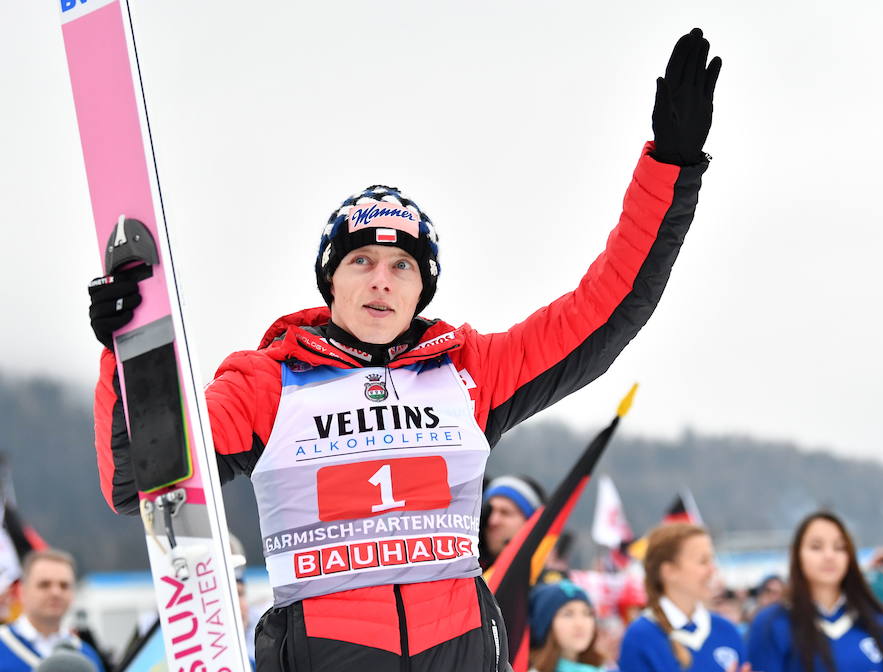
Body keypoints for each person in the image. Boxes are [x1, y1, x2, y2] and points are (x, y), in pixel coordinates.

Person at [87, 28, 722, 672]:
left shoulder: (472, 372)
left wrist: (669, 168)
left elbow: (604, 310)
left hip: (461, 652)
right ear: (329, 281)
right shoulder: (266, 383)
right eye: (360, 260)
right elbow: (143, 476)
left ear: (422, 288)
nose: (381, 280)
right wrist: (126, 349)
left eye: (401, 265)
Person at [747, 511, 883, 672]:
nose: (829, 556)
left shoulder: (876, 621)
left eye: (839, 547)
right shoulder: (771, 623)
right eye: (816, 547)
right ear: (796, 554)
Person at [618, 523, 747, 672]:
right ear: (669, 571)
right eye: (703, 561)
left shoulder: (726, 630)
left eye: (711, 560)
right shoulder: (640, 637)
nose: (713, 569)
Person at [0, 550, 104, 672]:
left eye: (64, 585)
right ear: (22, 591)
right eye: (44, 584)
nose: (56, 593)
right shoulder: (4, 644)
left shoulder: (87, 654)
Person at [529, 580, 607, 672]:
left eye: (587, 613)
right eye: (568, 614)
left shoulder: (602, 668)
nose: (580, 624)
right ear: (546, 624)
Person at [480, 475, 547, 570]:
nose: (492, 521)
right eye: (489, 511)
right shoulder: (466, 569)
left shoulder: (546, 581)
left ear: (530, 523)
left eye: (505, 513)